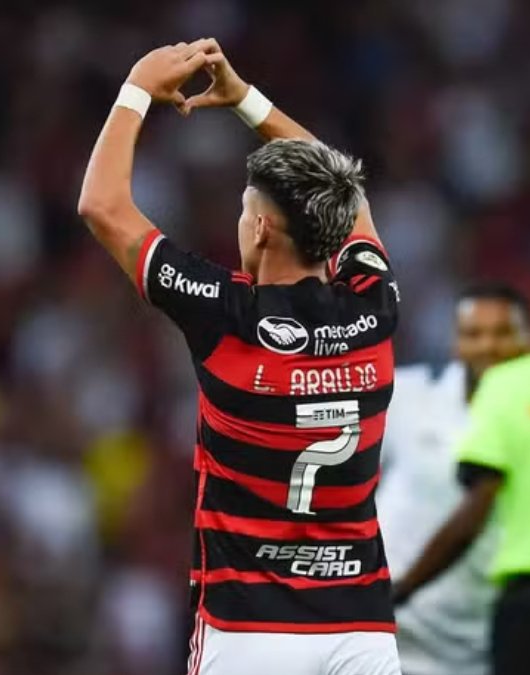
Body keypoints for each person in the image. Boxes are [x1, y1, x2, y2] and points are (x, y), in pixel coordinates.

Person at [77, 39, 401, 675]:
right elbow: (350, 196)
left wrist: (137, 86)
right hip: (359, 626)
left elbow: (101, 205)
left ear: (258, 230)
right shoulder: (375, 310)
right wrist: (248, 100)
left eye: (243, 209)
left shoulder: (225, 314)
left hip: (247, 628)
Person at [376, 285, 530, 675]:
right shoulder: (409, 397)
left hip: (472, 647)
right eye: (474, 335)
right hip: (385, 633)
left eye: (502, 333)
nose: (488, 347)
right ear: (455, 344)